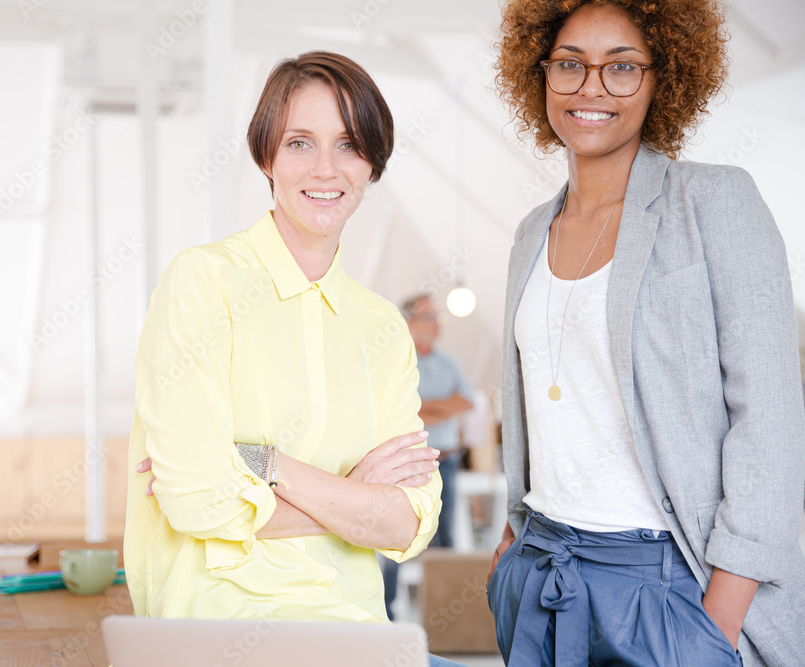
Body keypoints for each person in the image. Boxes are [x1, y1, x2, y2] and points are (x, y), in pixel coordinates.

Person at [488, 1, 805, 666]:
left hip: (670, 586)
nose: (592, 88)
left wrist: (715, 625)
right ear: (539, 73)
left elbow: (771, 420)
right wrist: (512, 544)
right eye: (569, 64)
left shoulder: (714, 201)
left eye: (622, 67)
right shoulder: (529, 233)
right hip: (541, 570)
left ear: (665, 78)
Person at [124, 50, 450, 642]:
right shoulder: (202, 282)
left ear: (372, 164)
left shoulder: (381, 327)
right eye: (300, 143)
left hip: (358, 631)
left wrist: (264, 464)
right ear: (265, 156)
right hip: (220, 629)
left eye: (349, 144)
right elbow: (196, 500)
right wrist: (355, 499)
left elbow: (411, 523)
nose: (325, 169)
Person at [381, 294, 474, 619]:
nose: (437, 325)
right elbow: (401, 410)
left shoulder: (449, 362)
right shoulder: (395, 360)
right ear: (410, 321)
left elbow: (465, 402)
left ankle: (447, 618)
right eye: (431, 317)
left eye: (438, 317)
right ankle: (388, 614)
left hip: (445, 463)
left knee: (444, 537)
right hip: (406, 465)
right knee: (396, 538)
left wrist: (424, 405)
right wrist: (441, 406)